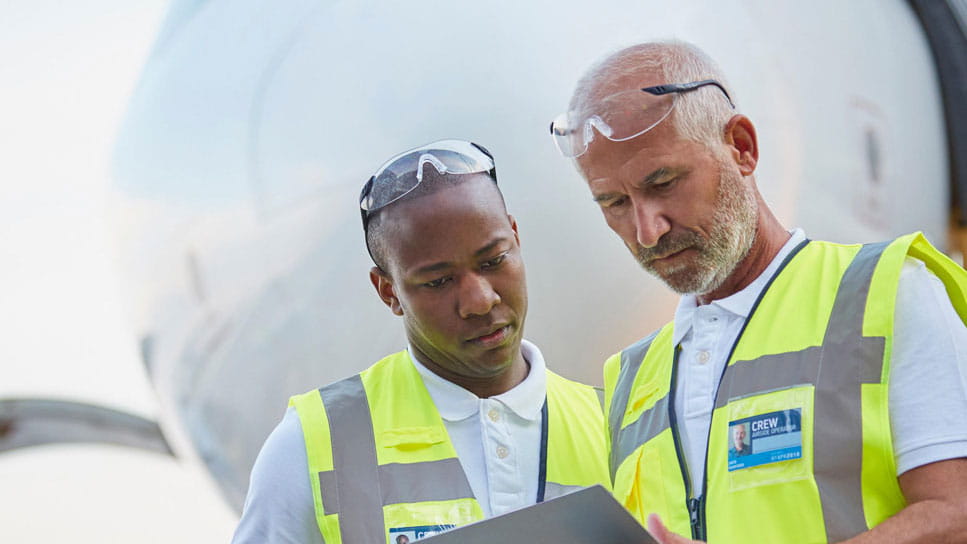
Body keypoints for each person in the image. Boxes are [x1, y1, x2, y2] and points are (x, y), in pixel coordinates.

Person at [551, 41, 967, 543]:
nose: (647, 230)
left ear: (741, 147)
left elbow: (956, 514)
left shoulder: (887, 295)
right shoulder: (630, 381)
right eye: (614, 202)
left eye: (662, 182)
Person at [231, 139, 610, 543]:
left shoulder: (614, 425)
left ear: (515, 237)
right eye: (438, 281)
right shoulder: (312, 444)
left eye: (493, 260)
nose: (480, 301)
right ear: (388, 291)